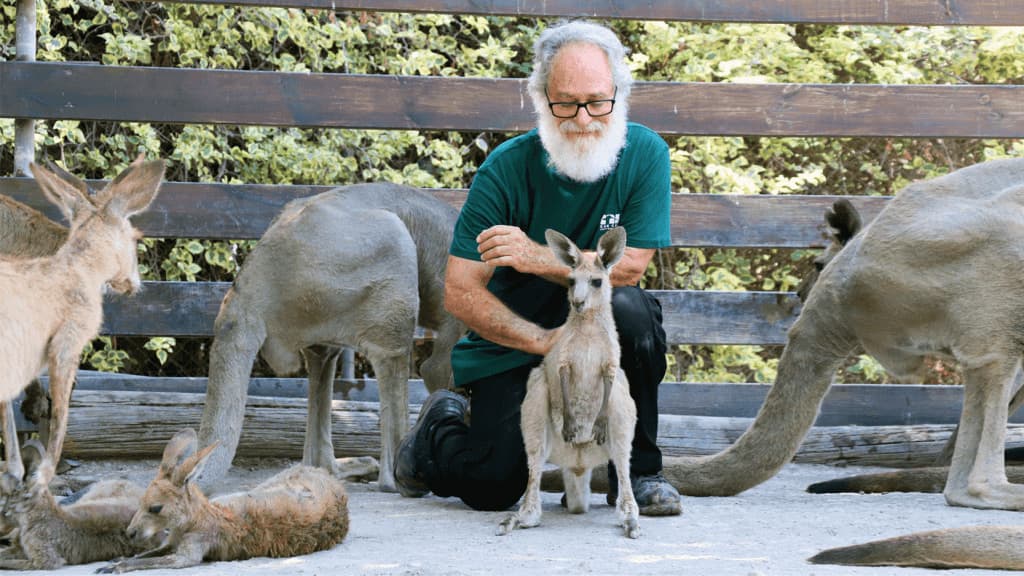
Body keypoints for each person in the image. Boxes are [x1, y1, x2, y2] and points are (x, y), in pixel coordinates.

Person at [394, 20, 681, 517]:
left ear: (619, 93)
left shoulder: (647, 154)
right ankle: (437, 427)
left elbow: (629, 269)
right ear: (540, 97)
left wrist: (533, 257)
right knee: (491, 488)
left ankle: (639, 473)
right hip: (518, 342)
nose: (583, 117)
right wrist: (543, 342)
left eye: (597, 101)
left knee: (632, 312)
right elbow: (461, 290)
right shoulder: (505, 168)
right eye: (565, 102)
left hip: (598, 330)